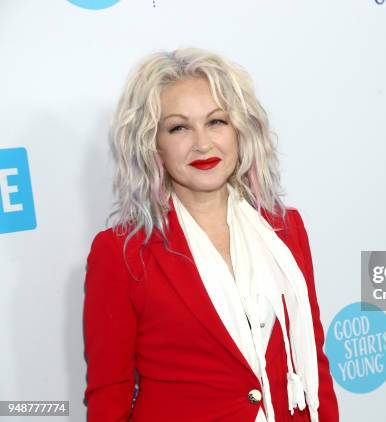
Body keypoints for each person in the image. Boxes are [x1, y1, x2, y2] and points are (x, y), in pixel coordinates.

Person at [82, 47, 339, 422]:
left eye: (216, 121)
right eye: (179, 127)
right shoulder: (122, 253)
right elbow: (110, 394)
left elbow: (313, 358)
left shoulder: (285, 229)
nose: (202, 143)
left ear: (239, 130)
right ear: (152, 144)